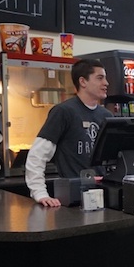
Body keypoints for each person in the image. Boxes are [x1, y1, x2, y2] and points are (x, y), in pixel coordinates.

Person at [25, 58, 113, 207]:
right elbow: (37, 156)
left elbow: (114, 158)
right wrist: (40, 193)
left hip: (104, 196)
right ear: (83, 82)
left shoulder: (107, 116)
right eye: (100, 78)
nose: (106, 83)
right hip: (74, 199)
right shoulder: (63, 112)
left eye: (105, 78)